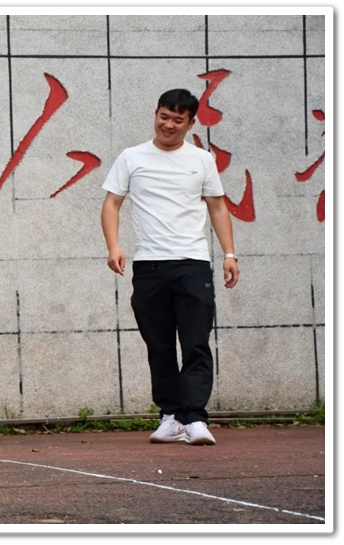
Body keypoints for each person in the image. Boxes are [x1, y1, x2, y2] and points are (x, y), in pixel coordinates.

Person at [100, 88, 240, 446]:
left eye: (178, 120)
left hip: (193, 264)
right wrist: (114, 246)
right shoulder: (132, 157)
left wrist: (229, 254)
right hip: (149, 266)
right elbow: (112, 203)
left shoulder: (202, 160)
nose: (169, 125)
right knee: (158, 345)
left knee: (195, 343)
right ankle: (171, 416)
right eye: (164, 116)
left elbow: (218, 207)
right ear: (156, 114)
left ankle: (196, 419)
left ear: (190, 124)